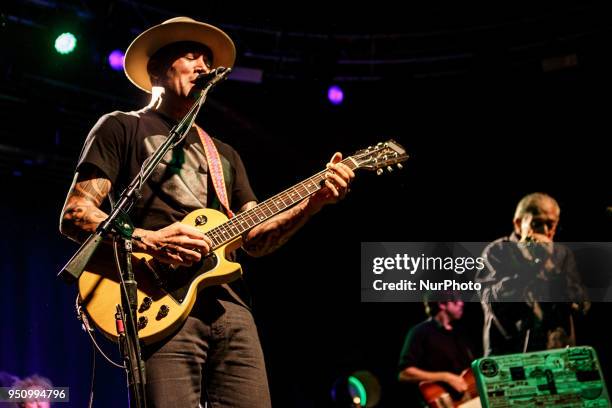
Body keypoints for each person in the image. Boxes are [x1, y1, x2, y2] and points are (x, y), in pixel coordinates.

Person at [59, 16, 354, 408]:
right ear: (157, 68)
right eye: (190, 54)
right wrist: (149, 239)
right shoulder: (119, 128)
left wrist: (312, 203)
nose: (203, 66)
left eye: (207, 60)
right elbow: (75, 214)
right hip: (156, 302)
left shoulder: (224, 154)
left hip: (231, 309)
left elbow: (256, 240)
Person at [476, 192, 590, 356]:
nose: (544, 231)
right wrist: (531, 265)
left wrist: (549, 263)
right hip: (510, 353)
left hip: (557, 352)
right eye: (537, 223)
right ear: (518, 223)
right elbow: (491, 300)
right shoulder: (497, 251)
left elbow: (581, 305)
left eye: (550, 225)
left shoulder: (562, 254)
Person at [398, 297, 475, 406]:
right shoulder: (420, 332)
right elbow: (405, 373)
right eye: (456, 301)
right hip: (442, 401)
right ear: (442, 304)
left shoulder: (460, 332)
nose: (461, 303)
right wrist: (446, 377)